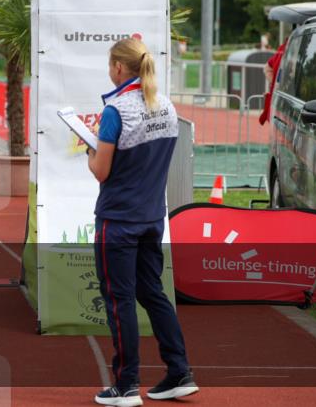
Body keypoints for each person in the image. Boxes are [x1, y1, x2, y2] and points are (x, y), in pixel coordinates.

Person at [86, 38, 197, 406]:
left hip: (118, 219)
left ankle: (126, 384)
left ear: (119, 67)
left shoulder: (116, 110)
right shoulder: (165, 104)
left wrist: (89, 148)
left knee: (120, 301)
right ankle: (179, 372)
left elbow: (101, 171)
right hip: (152, 217)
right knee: (153, 293)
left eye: (109, 64)